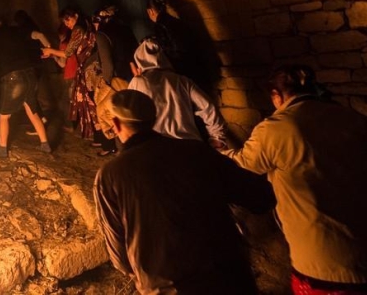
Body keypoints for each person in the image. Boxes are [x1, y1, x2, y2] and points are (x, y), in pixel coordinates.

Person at [225, 65, 367, 294]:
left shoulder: (275, 129)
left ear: (276, 96)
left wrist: (216, 153)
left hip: (325, 264)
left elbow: (243, 166)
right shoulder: (356, 119)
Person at [94, 90, 275, 295]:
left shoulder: (109, 176)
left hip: (169, 288)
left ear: (116, 124)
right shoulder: (196, 151)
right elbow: (260, 197)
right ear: (153, 119)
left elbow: (120, 257)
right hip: (227, 278)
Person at [128, 38, 228, 149]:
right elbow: (207, 107)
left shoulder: (137, 83)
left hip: (159, 149)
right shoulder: (181, 81)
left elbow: (129, 117)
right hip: (190, 146)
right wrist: (217, 137)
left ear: (139, 59)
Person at [0, 17, 52, 157]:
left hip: (13, 77)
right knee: (32, 111)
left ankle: (2, 150)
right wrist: (48, 48)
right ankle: (45, 144)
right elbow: (39, 35)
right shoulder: (18, 30)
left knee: (3, 116)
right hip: (30, 74)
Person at [42, 7, 98, 140]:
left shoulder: (78, 30)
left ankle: (95, 134)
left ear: (76, 15)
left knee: (88, 102)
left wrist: (50, 51)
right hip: (89, 67)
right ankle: (96, 135)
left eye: (68, 19)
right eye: (65, 22)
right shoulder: (86, 26)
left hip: (88, 69)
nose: (67, 23)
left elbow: (67, 53)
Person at [91, 5, 137, 155]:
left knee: (115, 116)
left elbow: (107, 63)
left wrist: (106, 82)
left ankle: (122, 151)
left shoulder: (102, 34)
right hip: (132, 78)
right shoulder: (126, 29)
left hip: (116, 80)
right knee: (131, 115)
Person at [146, 0, 205, 87]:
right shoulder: (176, 21)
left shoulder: (159, 25)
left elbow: (167, 50)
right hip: (194, 64)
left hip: (181, 68)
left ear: (151, 11)